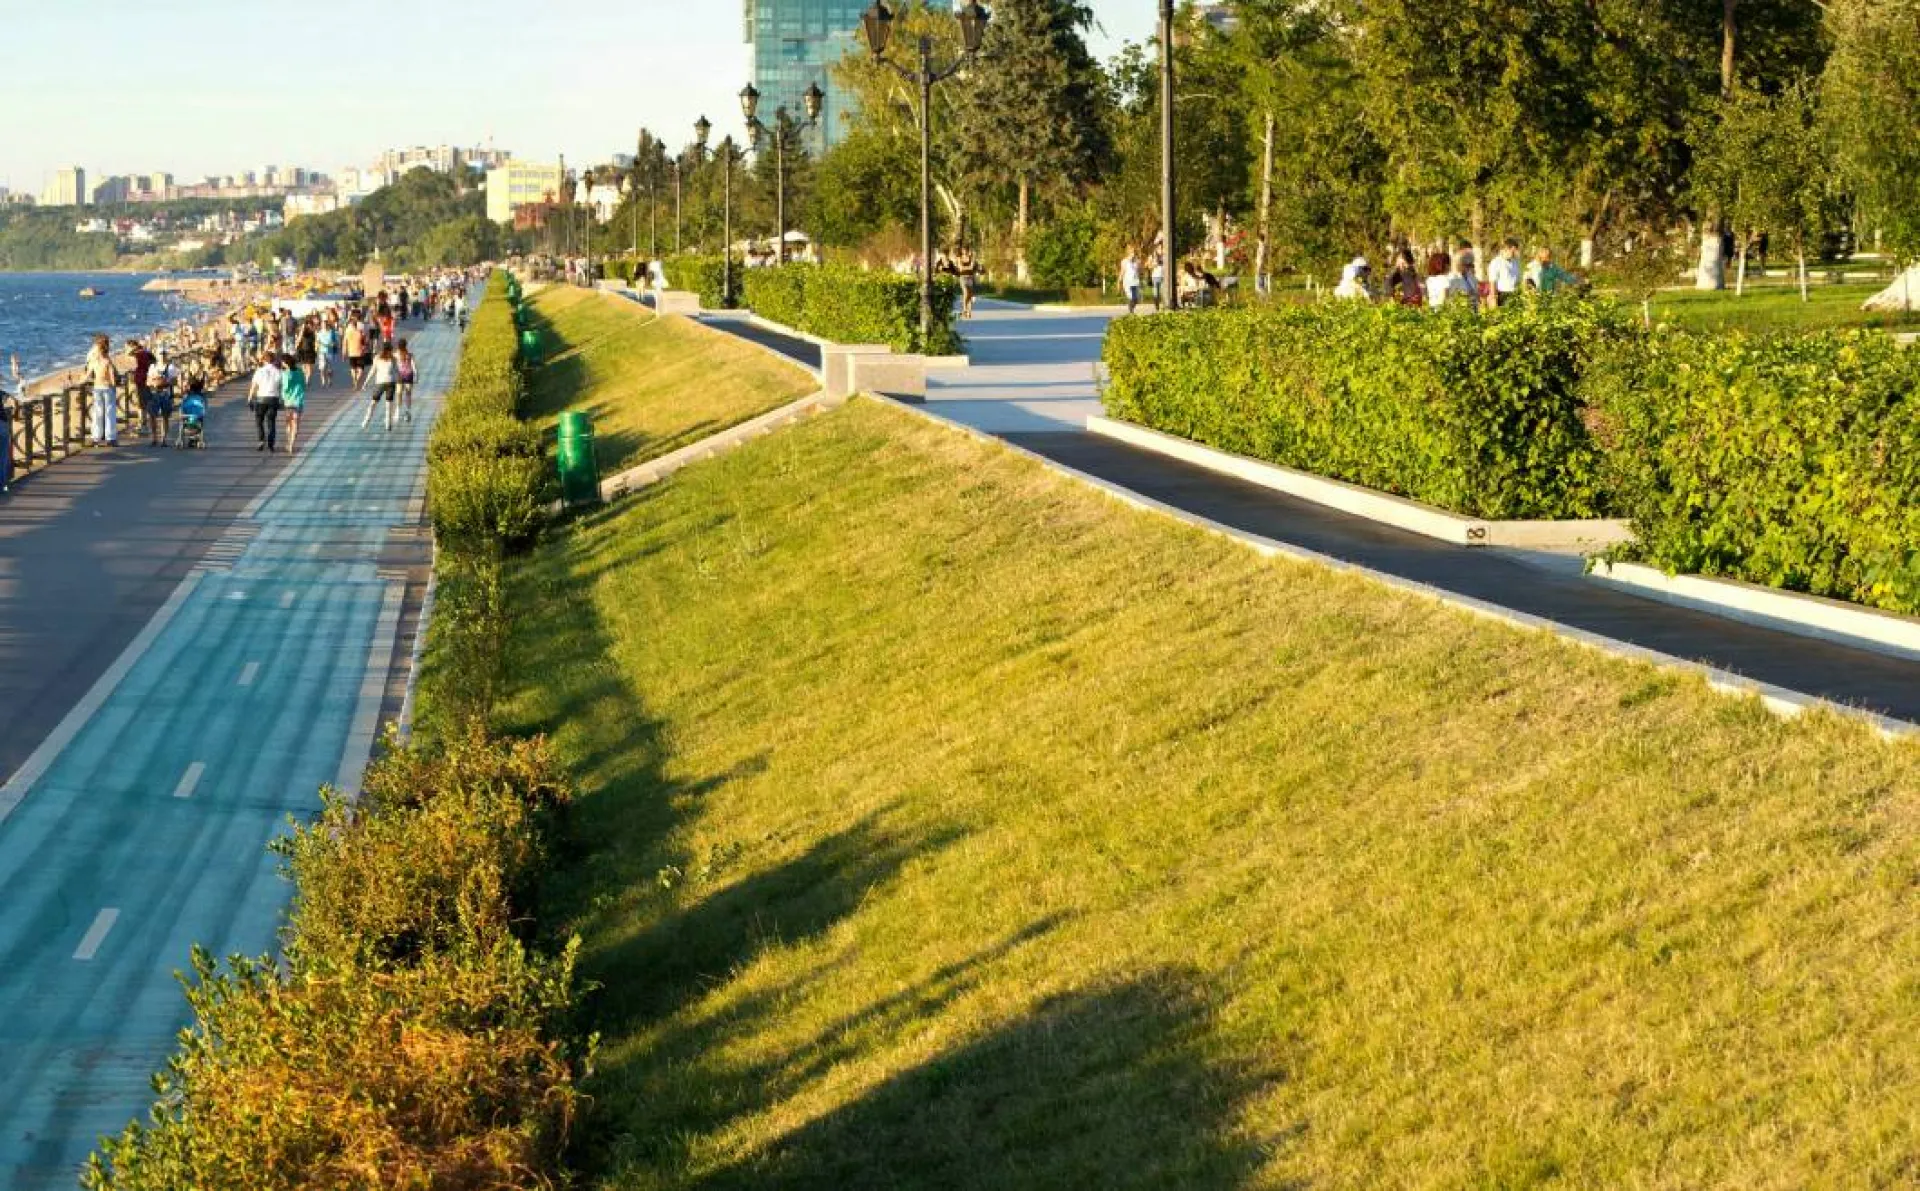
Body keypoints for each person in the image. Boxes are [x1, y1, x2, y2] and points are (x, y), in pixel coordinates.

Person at [85, 334, 119, 447]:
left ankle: (96, 438)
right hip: (107, 387)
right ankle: (111, 438)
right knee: (109, 413)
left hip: (97, 387)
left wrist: (78, 381)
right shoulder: (107, 361)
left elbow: (87, 375)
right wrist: (114, 388)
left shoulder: (94, 361)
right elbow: (112, 377)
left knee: (97, 413)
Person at [247, 352, 284, 452]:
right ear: (273, 360)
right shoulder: (278, 371)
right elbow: (281, 387)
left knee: (259, 420)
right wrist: (282, 399)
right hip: (273, 398)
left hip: (261, 398)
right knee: (271, 421)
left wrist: (250, 398)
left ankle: (261, 440)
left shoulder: (259, 371)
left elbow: (254, 386)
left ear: (264, 360)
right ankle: (271, 443)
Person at [361, 344, 399, 431]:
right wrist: (399, 381)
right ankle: (388, 424)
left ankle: (366, 421)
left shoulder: (377, 358)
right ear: (390, 349)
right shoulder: (393, 359)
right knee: (389, 404)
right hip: (391, 382)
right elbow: (397, 371)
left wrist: (365, 383)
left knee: (373, 403)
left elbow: (372, 371)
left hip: (380, 383)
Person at [146, 349, 177, 447]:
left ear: (166, 355)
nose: (162, 356)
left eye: (164, 353)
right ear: (157, 355)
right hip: (154, 393)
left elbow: (175, 381)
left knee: (165, 417)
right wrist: (154, 382)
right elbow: (148, 381)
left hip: (165, 393)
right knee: (152, 416)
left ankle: (164, 439)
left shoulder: (171, 367)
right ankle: (154, 438)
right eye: (160, 354)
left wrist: (165, 382)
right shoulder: (153, 366)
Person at [127, 339, 155, 438]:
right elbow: (153, 362)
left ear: (131, 346)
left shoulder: (137, 355)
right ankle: (146, 424)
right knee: (146, 401)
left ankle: (143, 426)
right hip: (148, 379)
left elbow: (133, 367)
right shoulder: (146, 353)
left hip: (141, 381)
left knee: (142, 403)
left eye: (126, 347)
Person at [280, 351, 307, 455]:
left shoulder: (286, 373)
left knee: (288, 422)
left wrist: (282, 395)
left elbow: (285, 388)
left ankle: (288, 441)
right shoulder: (300, 371)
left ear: (285, 363)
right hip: (298, 401)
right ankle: (291, 444)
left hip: (288, 402)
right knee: (295, 424)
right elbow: (304, 385)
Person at [1489, 240, 1523, 308]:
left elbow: (1518, 280)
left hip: (1514, 294)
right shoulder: (1496, 262)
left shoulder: (1516, 262)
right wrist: (1493, 298)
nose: (1514, 253)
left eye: (1515, 251)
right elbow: (1493, 281)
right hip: (1502, 294)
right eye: (1513, 251)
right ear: (1506, 249)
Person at [344, 317, 370, 390]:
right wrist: (365, 347)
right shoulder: (360, 332)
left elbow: (344, 344)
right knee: (361, 369)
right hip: (360, 353)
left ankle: (355, 381)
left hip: (351, 353)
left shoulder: (347, 333)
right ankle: (356, 381)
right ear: (356, 325)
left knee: (353, 368)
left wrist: (344, 353)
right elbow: (366, 342)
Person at [395, 339, 416, 423]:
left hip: (407, 375)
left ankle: (406, 411)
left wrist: (416, 373)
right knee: (402, 393)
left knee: (403, 393)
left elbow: (413, 365)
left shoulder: (409, 355)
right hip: (403, 375)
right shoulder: (396, 354)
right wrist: (416, 374)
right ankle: (399, 410)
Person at [954, 247, 979, 319]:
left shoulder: (971, 258)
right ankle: (964, 309)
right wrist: (966, 267)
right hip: (963, 278)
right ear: (962, 251)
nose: (964, 251)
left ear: (968, 250)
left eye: (966, 250)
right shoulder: (959, 258)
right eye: (963, 250)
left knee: (970, 296)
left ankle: (969, 312)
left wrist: (964, 267)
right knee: (965, 293)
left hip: (970, 278)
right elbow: (960, 268)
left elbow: (971, 267)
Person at [1121, 249, 1143, 315]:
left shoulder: (1137, 261)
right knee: (1131, 297)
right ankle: (1131, 311)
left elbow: (1139, 271)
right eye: (1131, 253)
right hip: (1128, 282)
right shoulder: (1124, 261)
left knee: (1136, 299)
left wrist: (1141, 279)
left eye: (1134, 253)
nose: (1133, 254)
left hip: (1135, 282)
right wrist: (1119, 280)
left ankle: (1131, 308)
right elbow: (1122, 271)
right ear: (1128, 253)